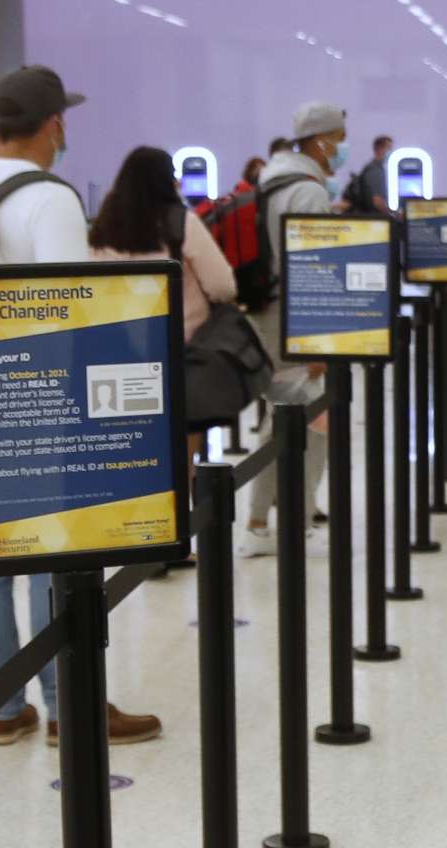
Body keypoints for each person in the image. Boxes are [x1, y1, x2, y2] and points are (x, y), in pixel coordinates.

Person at [0, 65, 161, 749]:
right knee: (56, 547)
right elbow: (73, 308)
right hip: (31, 394)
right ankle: (69, 705)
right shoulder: (49, 199)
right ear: (55, 125)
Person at [242, 101, 351, 555]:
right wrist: (319, 340)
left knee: (288, 414)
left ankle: (285, 513)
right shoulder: (307, 191)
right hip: (298, 319)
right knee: (303, 416)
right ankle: (268, 520)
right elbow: (314, 268)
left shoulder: (271, 177)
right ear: (321, 139)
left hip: (267, 314)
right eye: (338, 142)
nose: (339, 152)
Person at [88, 144, 238, 342]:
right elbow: (223, 287)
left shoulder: (103, 228)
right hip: (182, 345)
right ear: (165, 180)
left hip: (120, 342)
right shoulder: (182, 223)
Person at [344, 133, 396, 216]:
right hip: (374, 217)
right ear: (379, 149)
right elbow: (376, 201)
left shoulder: (373, 168)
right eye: (389, 148)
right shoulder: (374, 170)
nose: (391, 151)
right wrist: (392, 214)